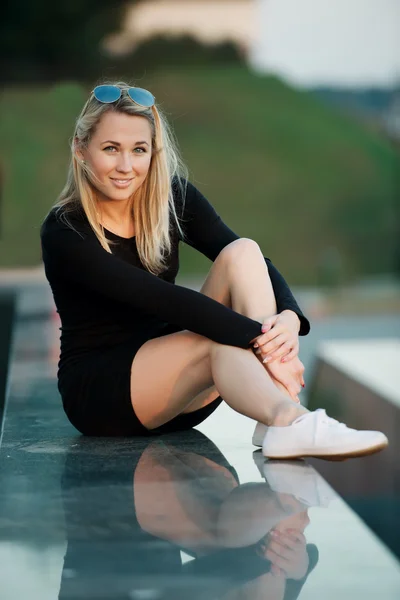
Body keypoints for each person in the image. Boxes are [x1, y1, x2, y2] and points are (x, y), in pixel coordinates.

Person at [40, 81, 388, 459]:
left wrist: (289, 318)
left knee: (242, 252)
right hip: (104, 396)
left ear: (153, 153)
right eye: (111, 149)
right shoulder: (65, 231)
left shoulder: (171, 197)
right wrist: (266, 348)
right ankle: (289, 415)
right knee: (213, 341)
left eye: (139, 150)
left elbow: (258, 265)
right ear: (81, 149)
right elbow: (166, 301)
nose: (126, 166)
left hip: (181, 382)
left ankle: (277, 414)